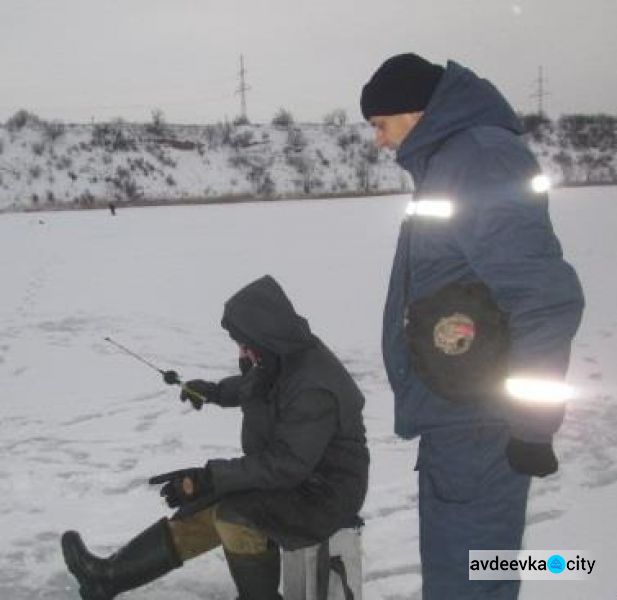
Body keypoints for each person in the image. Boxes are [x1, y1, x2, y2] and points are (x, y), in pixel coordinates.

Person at [360, 54, 584, 599]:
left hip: (479, 426)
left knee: (469, 579)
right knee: (466, 573)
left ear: (415, 113)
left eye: (381, 125)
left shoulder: (478, 159)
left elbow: (546, 298)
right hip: (457, 419)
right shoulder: (451, 162)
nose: (379, 142)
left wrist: (532, 426)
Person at [61, 275, 369, 600]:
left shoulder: (314, 388)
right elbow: (262, 386)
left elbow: (286, 465)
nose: (242, 350)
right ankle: (107, 578)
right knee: (209, 504)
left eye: (244, 343)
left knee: (236, 514)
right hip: (296, 479)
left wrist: (210, 476)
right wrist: (213, 392)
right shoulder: (282, 354)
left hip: (326, 493)